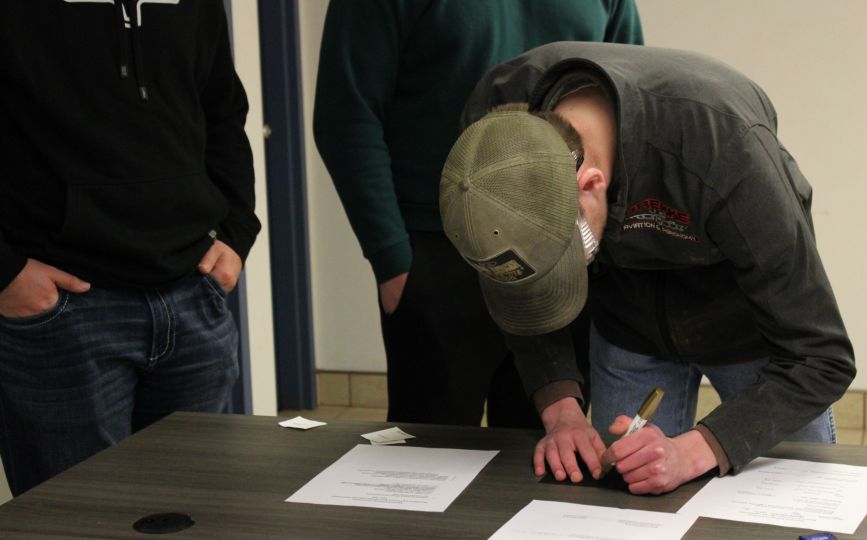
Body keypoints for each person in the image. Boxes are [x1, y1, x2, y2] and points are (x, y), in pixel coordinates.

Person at [440, 41, 855, 494]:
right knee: (627, 495)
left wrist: (693, 451)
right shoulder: (490, 145)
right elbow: (521, 278)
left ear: (590, 184)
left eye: (565, 264)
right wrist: (561, 411)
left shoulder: (726, 148)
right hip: (628, 318)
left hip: (747, 319)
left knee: (798, 501)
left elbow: (821, 358)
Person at [313, 0, 643, 428]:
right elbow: (346, 112)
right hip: (438, 253)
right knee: (431, 449)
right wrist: (390, 256)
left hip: (559, 249)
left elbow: (624, 93)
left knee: (547, 442)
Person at [0, 0, 260, 496]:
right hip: (61, 314)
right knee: (75, 520)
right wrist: (5, 273)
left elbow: (222, 110)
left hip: (194, 298)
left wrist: (236, 232)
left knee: (193, 514)